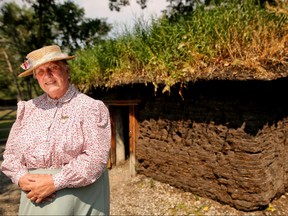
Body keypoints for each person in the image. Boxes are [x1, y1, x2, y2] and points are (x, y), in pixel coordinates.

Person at [1, 45, 111, 215]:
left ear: (67, 72)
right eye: (40, 71)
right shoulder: (28, 109)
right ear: (36, 77)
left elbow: (96, 157)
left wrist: (54, 182)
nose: (47, 76)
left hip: (79, 198)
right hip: (34, 199)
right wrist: (22, 179)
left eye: (53, 68)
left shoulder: (90, 107)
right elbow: (10, 156)